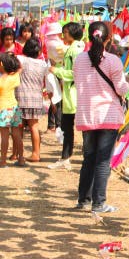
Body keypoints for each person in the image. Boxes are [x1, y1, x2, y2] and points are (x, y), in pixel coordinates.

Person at [73, 21, 129, 213]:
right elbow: (121, 88)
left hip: (87, 116)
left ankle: (83, 200)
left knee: (88, 158)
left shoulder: (79, 59)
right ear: (108, 39)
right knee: (103, 160)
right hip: (108, 115)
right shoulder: (113, 60)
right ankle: (99, 203)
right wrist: (128, 82)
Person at [49, 22, 85, 170]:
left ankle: (68, 157)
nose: (64, 35)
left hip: (74, 94)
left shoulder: (75, 51)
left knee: (71, 127)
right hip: (72, 94)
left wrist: (56, 71)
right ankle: (66, 156)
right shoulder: (73, 48)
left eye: (66, 32)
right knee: (68, 127)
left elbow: (75, 73)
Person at [17, 39, 48, 162]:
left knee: (18, 127)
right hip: (36, 99)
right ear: (39, 51)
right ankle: (36, 153)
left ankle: (18, 154)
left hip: (21, 97)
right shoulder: (43, 64)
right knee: (34, 126)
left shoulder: (21, 59)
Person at [0, 53, 23, 166]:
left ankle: (3, 160)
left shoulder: (1, 81)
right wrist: (14, 58)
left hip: (3, 109)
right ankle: (21, 158)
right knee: (17, 134)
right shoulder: (15, 77)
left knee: (4, 136)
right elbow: (20, 68)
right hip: (14, 108)